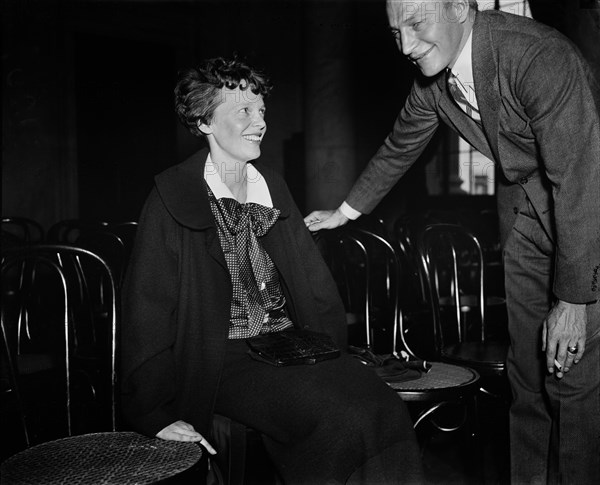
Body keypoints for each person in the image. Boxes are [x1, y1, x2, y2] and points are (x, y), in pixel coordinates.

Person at [305, 1, 600, 483]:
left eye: (417, 24)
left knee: (575, 377)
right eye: (395, 31)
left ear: (462, 8)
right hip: (525, 218)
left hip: (588, 214)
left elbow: (582, 177)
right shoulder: (434, 82)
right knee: (527, 377)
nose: (406, 45)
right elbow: (400, 145)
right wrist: (343, 212)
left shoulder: (538, 55)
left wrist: (571, 300)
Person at [120, 57, 423, 484]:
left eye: (261, 111)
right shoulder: (172, 195)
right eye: (243, 110)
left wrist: (333, 359)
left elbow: (315, 287)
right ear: (204, 121)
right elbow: (146, 311)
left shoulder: (271, 186)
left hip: (290, 347)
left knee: (383, 405)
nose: (259, 121)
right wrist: (152, 413)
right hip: (221, 359)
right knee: (340, 417)